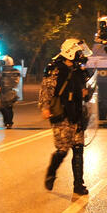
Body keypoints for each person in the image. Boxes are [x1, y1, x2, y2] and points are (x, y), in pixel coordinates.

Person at [41, 38, 94, 194]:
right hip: (61, 114)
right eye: (77, 51)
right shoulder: (55, 69)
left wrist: (86, 93)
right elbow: (46, 90)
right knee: (63, 149)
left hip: (76, 114)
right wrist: (45, 107)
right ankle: (51, 172)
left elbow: (85, 92)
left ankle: (79, 185)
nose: (80, 55)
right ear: (70, 52)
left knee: (78, 149)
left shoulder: (80, 71)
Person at [0, 55, 21, 128]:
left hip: (11, 92)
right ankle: (6, 121)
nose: (2, 64)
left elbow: (15, 82)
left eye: (3, 62)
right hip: (3, 92)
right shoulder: (2, 72)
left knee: (9, 108)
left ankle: (9, 122)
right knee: (2, 108)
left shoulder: (15, 71)